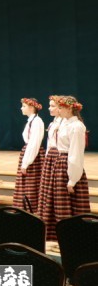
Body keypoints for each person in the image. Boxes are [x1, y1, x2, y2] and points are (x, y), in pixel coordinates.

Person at [42, 95, 91, 240]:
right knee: (58, 202)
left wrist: (72, 179)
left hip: (67, 165)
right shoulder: (64, 123)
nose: (58, 110)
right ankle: (59, 236)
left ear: (69, 109)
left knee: (71, 204)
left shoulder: (77, 126)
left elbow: (75, 154)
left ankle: (74, 237)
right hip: (60, 163)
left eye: (61, 108)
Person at [12, 98, 45, 213]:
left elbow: (34, 143)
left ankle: (32, 209)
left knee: (32, 183)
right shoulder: (31, 121)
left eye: (24, 106)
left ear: (31, 108)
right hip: (29, 154)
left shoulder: (37, 121)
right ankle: (24, 208)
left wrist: (26, 163)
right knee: (26, 183)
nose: (21, 108)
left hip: (33, 157)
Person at [38, 95, 64, 220]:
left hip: (58, 157)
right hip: (51, 157)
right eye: (50, 105)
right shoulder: (53, 122)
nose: (49, 108)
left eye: (52, 106)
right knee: (48, 189)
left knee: (57, 189)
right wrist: (47, 158)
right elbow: (49, 143)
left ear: (61, 108)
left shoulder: (64, 123)